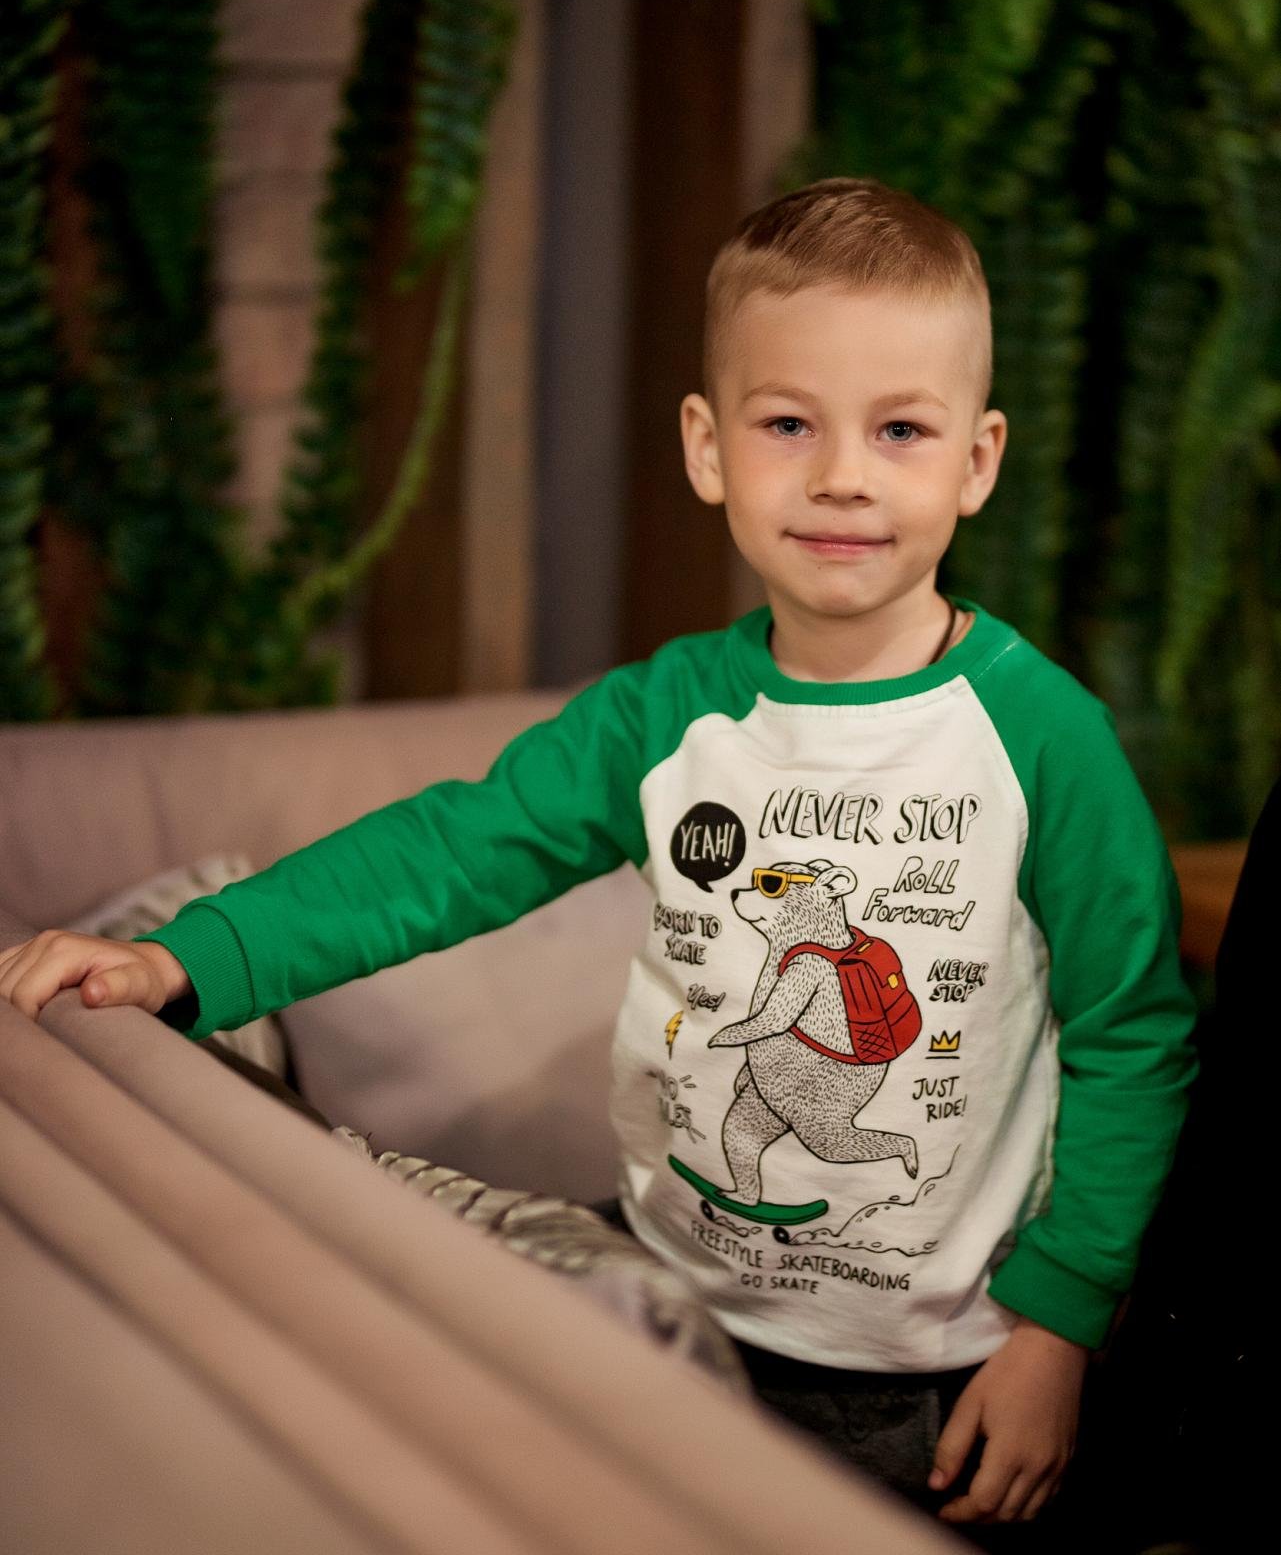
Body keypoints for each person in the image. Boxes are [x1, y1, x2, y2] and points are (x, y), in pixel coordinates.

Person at [0, 177, 1198, 1539]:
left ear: (976, 462)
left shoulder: (1043, 741)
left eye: (900, 430)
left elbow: (1133, 1035)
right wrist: (184, 957)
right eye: (788, 423)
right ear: (707, 446)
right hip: (665, 1296)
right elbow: (444, 854)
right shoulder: (659, 715)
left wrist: (1057, 1329)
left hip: (929, 1375)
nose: (842, 475)